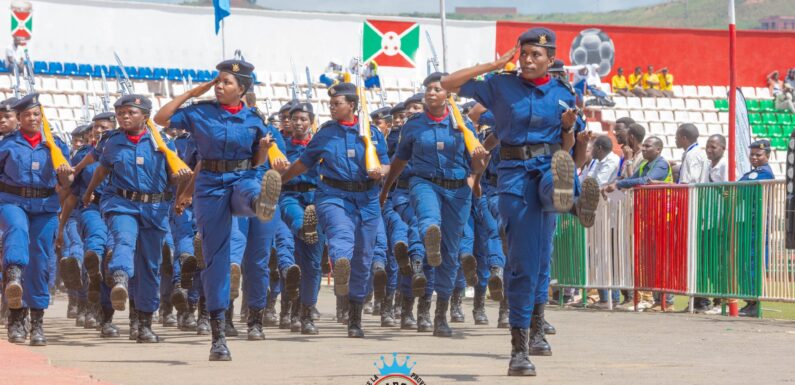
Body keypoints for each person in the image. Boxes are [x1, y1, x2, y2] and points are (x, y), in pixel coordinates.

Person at [440, 27, 598, 376]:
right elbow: (449, 83)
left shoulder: (563, 93)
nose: (527, 60)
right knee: (528, 262)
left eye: (536, 55)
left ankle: (569, 199)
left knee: (558, 173)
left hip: (548, 164)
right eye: (523, 54)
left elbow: (574, 152)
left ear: (551, 60)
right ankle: (520, 347)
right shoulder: (501, 84)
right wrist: (497, 62)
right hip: (514, 174)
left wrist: (570, 129)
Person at [153, 59, 285, 361]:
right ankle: (219, 336)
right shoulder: (200, 112)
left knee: (250, 191)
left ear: (242, 89)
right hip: (210, 184)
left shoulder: (254, 120)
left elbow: (255, 163)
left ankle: (260, 204)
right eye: (219, 81)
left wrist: (263, 151)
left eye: (227, 82)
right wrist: (192, 93)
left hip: (243, 177)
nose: (220, 86)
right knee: (215, 258)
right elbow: (161, 119)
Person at [379, 71, 488, 338]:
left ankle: (439, 315)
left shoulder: (463, 126)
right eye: (427, 89)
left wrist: (480, 162)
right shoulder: (414, 125)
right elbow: (399, 161)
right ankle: (430, 233)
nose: (431, 93)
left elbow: (476, 167)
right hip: (424, 183)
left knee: (449, 255)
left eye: (437, 89)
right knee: (429, 221)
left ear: (448, 94)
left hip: (457, 191)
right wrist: (386, 189)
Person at [280, 82, 390, 338]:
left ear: (352, 105)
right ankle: (340, 262)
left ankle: (355, 316)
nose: (331, 107)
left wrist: (380, 172)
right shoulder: (326, 133)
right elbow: (304, 162)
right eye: (330, 103)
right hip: (333, 195)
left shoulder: (371, 133)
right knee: (341, 235)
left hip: (367, 197)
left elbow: (386, 164)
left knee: (364, 258)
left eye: (337, 103)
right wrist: (281, 180)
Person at [1, 93, 73, 345]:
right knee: (17, 233)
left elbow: (68, 182)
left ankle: (37, 323)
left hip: (44, 205)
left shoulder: (55, 145)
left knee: (41, 261)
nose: (32, 118)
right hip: (12, 201)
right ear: (18, 119)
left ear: (42, 117)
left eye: (36, 114)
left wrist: (65, 175)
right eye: (27, 115)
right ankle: (15, 304)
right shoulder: (7, 144)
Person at [279, 101, 324, 335]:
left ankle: (306, 313)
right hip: (290, 196)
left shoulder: (319, 146)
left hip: (316, 201)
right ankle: (291, 309)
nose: (298, 123)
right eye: (294, 118)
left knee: (313, 264)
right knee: (293, 256)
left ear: (311, 122)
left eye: (303, 119)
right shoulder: (281, 145)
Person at [738, 139, 775, 317]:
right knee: (747, 263)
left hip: (758, 226)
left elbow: (740, 186)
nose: (754, 157)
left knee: (754, 264)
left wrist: (734, 188)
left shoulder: (764, 173)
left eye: (758, 155)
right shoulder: (752, 173)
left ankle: (755, 302)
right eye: (752, 154)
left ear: (767, 155)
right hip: (750, 224)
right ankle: (750, 301)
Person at [702, 134, 728, 315]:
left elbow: (730, 190)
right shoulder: (707, 165)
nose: (709, 150)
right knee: (709, 260)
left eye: (713, 147)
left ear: (723, 148)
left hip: (720, 219)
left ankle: (722, 301)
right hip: (708, 218)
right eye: (708, 147)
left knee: (719, 261)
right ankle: (713, 298)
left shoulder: (725, 165)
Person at [604, 136, 671, 193]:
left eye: (647, 146)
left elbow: (646, 180)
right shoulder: (645, 165)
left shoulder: (662, 164)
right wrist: (614, 184)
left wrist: (618, 184)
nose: (643, 149)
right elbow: (631, 179)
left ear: (658, 150)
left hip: (661, 204)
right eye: (643, 146)